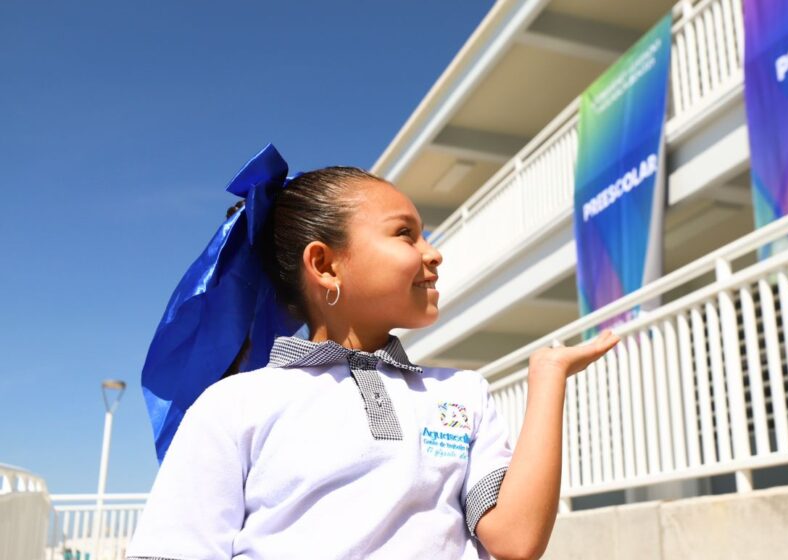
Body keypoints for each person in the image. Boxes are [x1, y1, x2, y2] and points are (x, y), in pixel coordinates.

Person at [128, 145, 619, 560]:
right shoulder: (235, 403)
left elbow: (515, 539)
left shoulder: (463, 394)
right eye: (405, 233)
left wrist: (548, 376)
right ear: (324, 265)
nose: (433, 252)